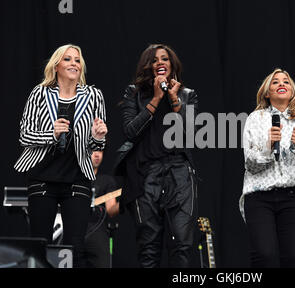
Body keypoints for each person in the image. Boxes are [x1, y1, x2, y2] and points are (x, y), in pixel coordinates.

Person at [14, 44, 108, 267]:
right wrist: (52, 134)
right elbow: (24, 135)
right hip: (43, 177)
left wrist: (98, 136)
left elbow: (96, 143)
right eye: (68, 59)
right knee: (39, 244)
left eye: (77, 60)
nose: (74, 63)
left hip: (77, 178)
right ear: (56, 65)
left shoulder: (94, 95)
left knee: (76, 246)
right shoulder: (40, 93)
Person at [115, 44, 198, 268]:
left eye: (165, 59)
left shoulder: (186, 95)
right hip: (145, 174)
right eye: (154, 60)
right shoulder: (134, 92)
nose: (160, 62)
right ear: (148, 66)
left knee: (181, 243)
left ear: (172, 65)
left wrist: (173, 100)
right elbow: (130, 131)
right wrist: (155, 99)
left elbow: (190, 136)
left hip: (179, 172)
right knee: (148, 247)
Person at [240, 68, 295, 267]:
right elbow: (250, 163)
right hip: (259, 196)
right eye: (275, 82)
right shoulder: (255, 119)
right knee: (263, 255)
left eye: (286, 81)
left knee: (293, 258)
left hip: (292, 196)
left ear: (292, 90)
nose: (281, 84)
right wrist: (268, 146)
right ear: (267, 92)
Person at [84, 150, 120, 268]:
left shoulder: (107, 181)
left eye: (100, 151)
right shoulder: (73, 178)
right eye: (93, 150)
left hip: (98, 232)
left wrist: (124, 202)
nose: (97, 154)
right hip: (74, 230)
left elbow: (111, 210)